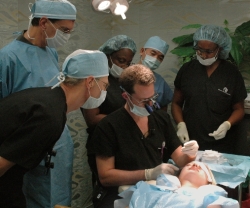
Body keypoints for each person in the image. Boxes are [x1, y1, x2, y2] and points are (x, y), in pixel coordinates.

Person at [0, 49, 109, 208]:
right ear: (90, 82)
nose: (104, 92)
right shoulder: (49, 116)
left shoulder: (46, 98)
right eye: (105, 86)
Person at [87, 64, 199, 208]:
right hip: (119, 196)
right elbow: (106, 177)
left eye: (152, 98)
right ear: (126, 96)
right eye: (144, 101)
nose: (151, 104)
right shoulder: (108, 127)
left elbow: (180, 159)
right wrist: (147, 174)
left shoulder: (161, 119)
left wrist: (190, 153)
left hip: (154, 192)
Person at [0, 0, 77, 207]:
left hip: (57, 147)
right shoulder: (8, 57)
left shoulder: (50, 52)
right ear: (43, 22)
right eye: (63, 30)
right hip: (27, 153)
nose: (66, 36)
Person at [171, 24, 247, 154]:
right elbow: (176, 103)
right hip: (191, 141)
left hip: (223, 145)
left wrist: (227, 125)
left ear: (220, 49)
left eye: (209, 51)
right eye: (200, 50)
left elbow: (239, 109)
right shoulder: (187, 70)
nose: (204, 55)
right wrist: (181, 124)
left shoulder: (231, 73)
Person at [115, 161, 239, 208]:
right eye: (188, 165)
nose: (195, 165)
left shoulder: (210, 197)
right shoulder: (151, 188)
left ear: (209, 181)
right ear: (178, 176)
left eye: (201, 168)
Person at [82, 35, 137, 133]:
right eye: (121, 61)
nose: (124, 66)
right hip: (103, 137)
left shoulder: (123, 80)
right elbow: (92, 119)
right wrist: (125, 118)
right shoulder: (95, 80)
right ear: (107, 56)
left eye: (128, 63)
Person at [138, 36, 173, 111]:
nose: (155, 59)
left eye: (160, 58)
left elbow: (163, 109)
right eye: (153, 53)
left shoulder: (160, 82)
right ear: (142, 51)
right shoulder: (126, 75)